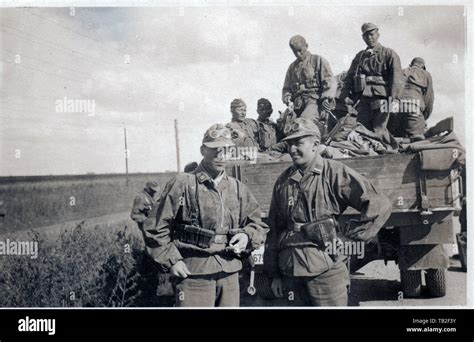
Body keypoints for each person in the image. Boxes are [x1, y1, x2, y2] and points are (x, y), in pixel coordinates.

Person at [263, 118, 392, 306]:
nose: (291, 149)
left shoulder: (333, 172)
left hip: (326, 270)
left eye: (298, 143)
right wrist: (274, 275)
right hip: (291, 271)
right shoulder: (283, 180)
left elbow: (379, 204)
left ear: (316, 144)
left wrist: (351, 239)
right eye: (289, 144)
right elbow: (274, 229)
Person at [145, 124, 268, 307]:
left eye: (226, 150)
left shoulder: (237, 188)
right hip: (193, 274)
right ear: (203, 150)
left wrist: (246, 236)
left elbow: (258, 225)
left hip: (229, 273)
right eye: (215, 150)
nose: (221, 155)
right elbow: (156, 227)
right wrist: (172, 262)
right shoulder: (183, 183)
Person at [340, 23, 403, 143]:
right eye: (366, 36)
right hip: (363, 99)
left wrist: (395, 99)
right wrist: (344, 95)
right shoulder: (359, 57)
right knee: (361, 128)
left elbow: (397, 78)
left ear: (377, 34)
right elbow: (349, 77)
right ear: (363, 38)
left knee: (379, 129)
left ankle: (386, 151)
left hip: (382, 98)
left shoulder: (388, 53)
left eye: (371, 34)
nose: (369, 38)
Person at [282, 35, 336, 125]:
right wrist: (287, 97)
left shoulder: (318, 60)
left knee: (304, 122)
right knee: (284, 124)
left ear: (306, 46)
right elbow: (286, 88)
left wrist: (327, 98)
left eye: (300, 50)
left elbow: (329, 80)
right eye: (295, 52)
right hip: (296, 104)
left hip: (314, 102)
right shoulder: (292, 67)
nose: (298, 54)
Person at [388, 57, 434, 141]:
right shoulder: (426, 74)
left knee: (394, 138)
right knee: (418, 140)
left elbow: (393, 89)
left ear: (410, 65)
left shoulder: (402, 72)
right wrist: (423, 118)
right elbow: (429, 99)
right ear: (423, 67)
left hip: (396, 108)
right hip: (414, 108)